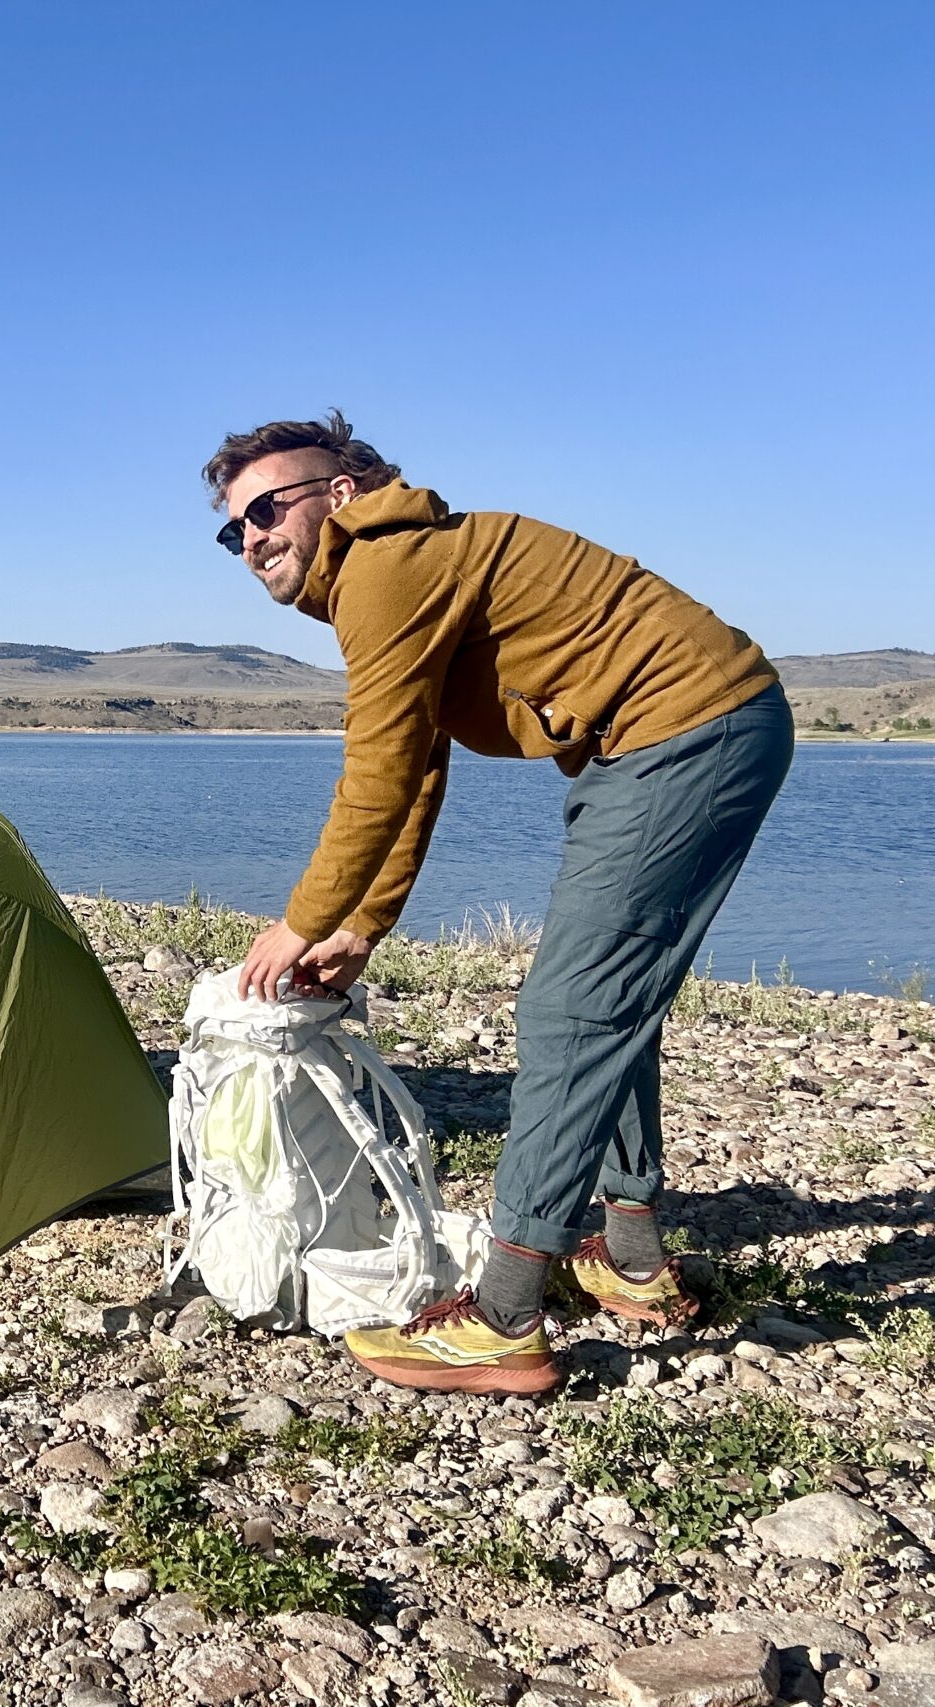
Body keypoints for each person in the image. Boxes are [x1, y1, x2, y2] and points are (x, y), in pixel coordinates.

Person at [206, 412, 792, 1395]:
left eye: (268, 508)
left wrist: (301, 920)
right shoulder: (396, 567)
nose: (253, 536)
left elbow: (379, 769)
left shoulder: (383, 567)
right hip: (664, 737)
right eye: (234, 528)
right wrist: (362, 923)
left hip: (682, 731)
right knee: (608, 998)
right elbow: (421, 762)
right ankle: (632, 1256)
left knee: (571, 1010)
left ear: (338, 494)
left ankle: (503, 1318)